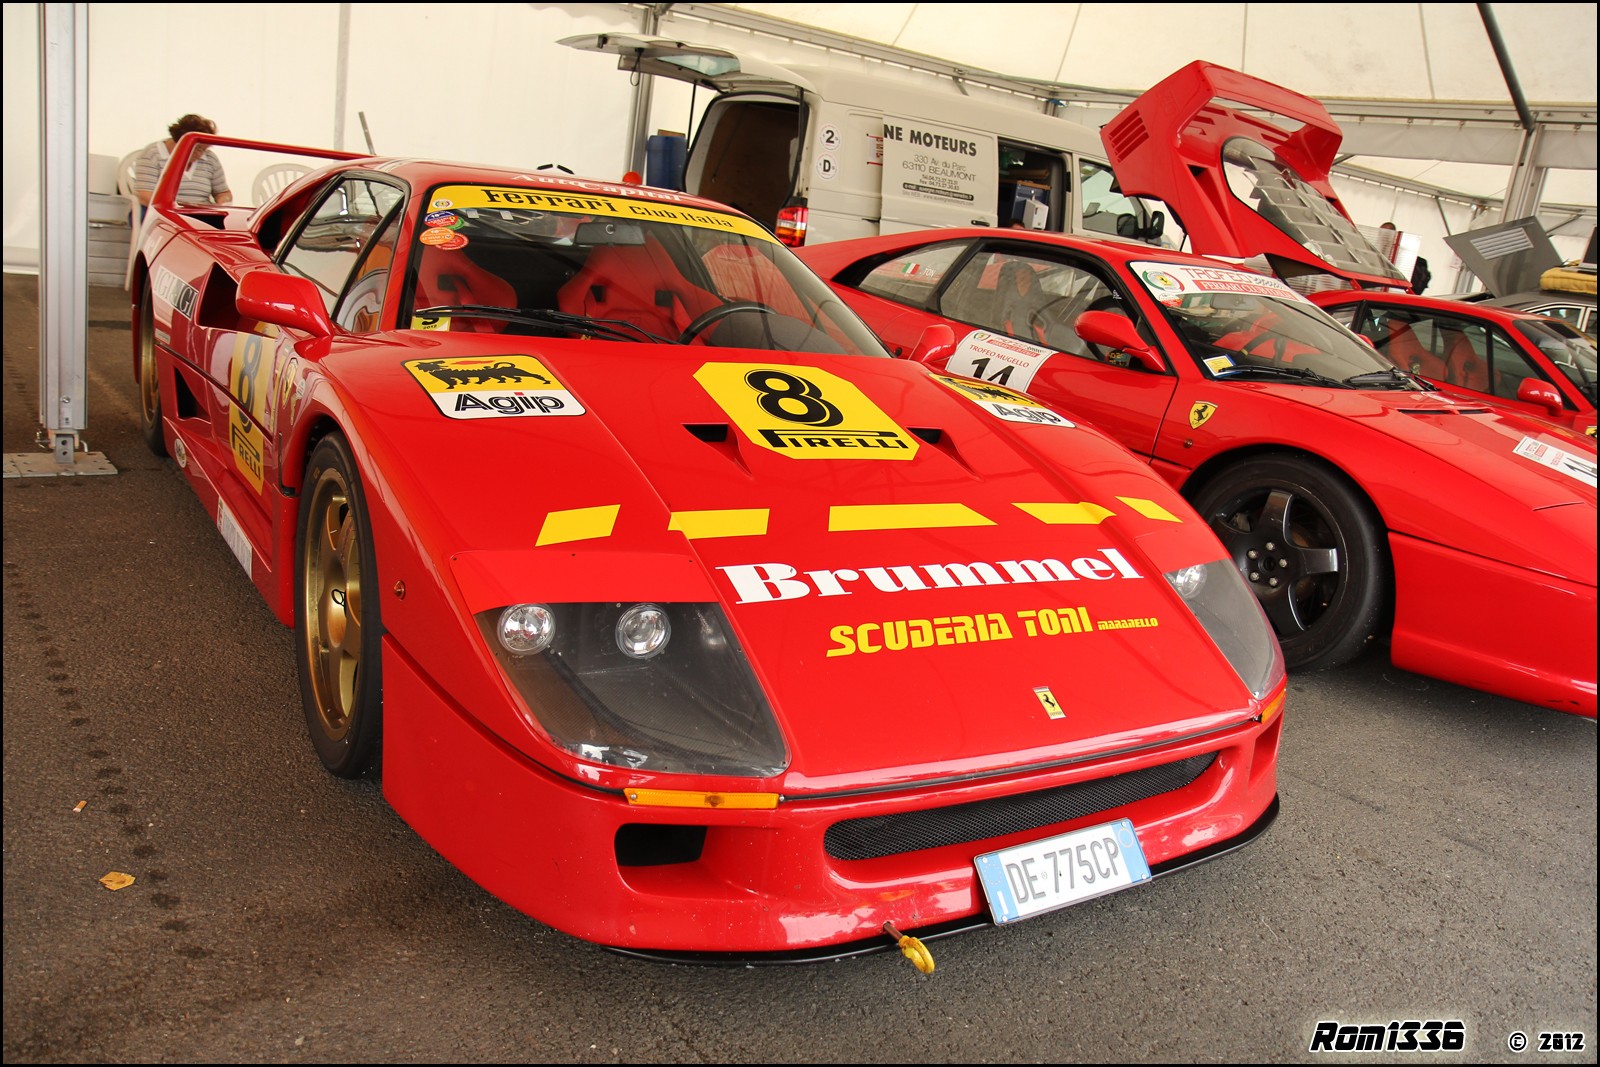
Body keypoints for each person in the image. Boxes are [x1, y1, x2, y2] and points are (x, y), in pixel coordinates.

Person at [133, 113, 232, 210]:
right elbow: (144, 195)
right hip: (163, 213)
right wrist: (178, 210)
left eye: (204, 149)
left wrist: (223, 201)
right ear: (179, 141)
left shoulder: (210, 158)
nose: (200, 154)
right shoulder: (152, 154)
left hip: (200, 214)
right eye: (197, 148)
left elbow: (223, 192)